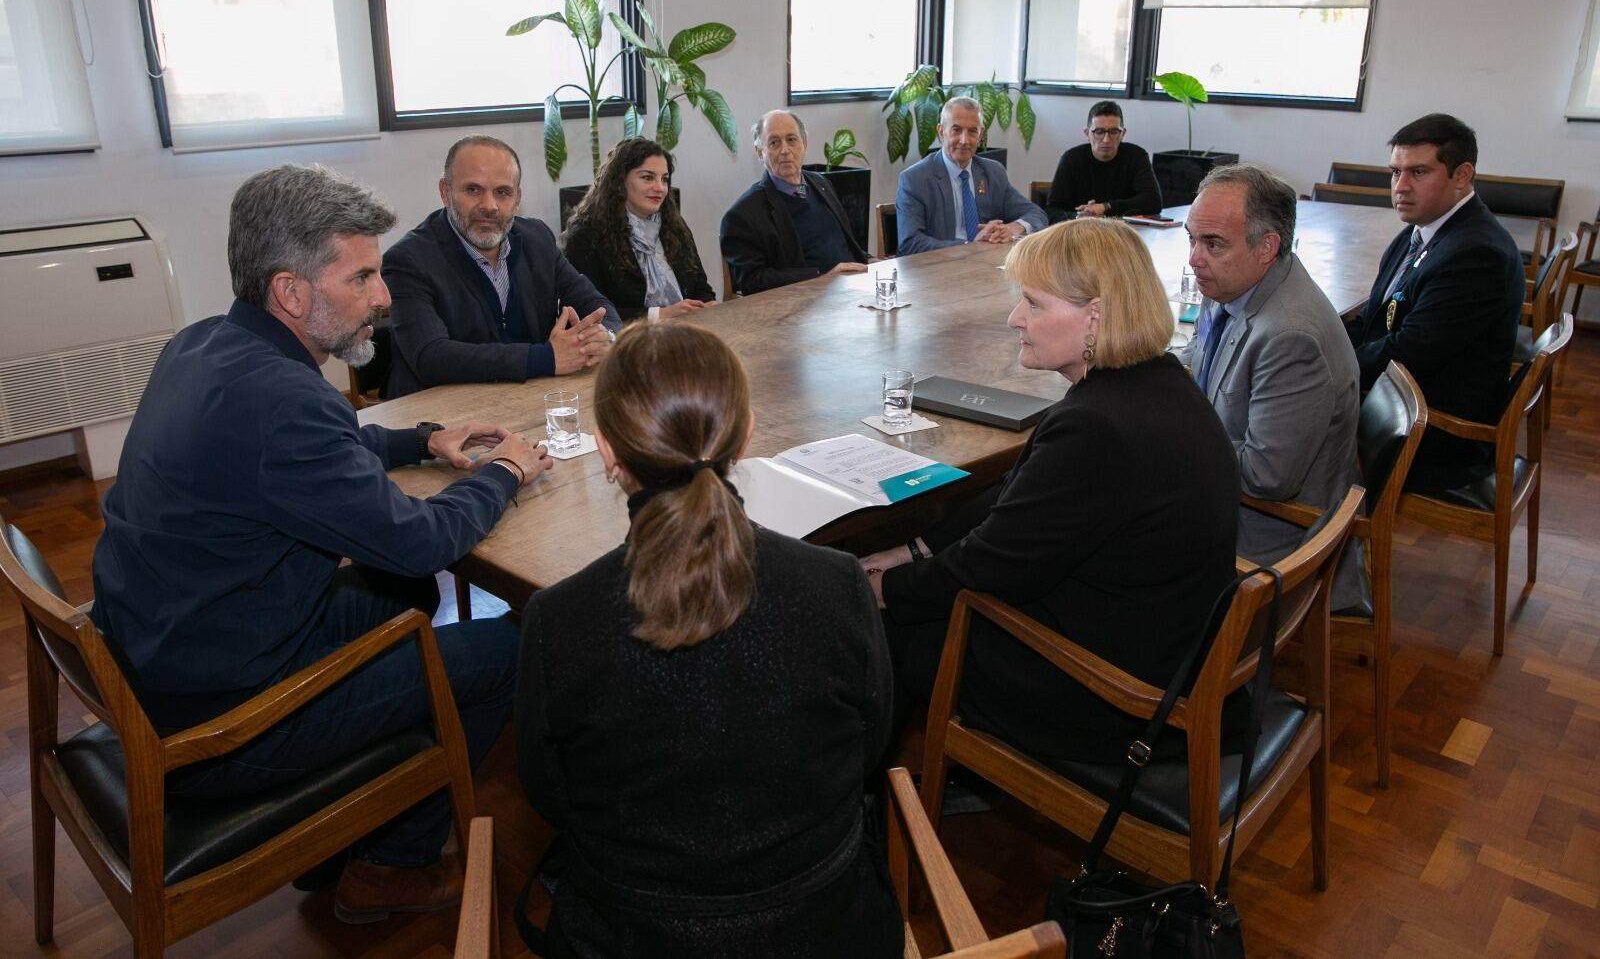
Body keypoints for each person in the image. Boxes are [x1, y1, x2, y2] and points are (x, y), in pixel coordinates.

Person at [90, 164, 552, 923]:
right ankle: (387, 867)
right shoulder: (287, 402)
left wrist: (422, 439)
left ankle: (363, 819)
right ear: (292, 292)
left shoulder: (206, 345)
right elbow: (420, 543)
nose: (383, 296)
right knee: (507, 649)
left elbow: (302, 458)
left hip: (170, 653)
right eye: (363, 275)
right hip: (222, 724)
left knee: (398, 600)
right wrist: (503, 470)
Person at [516, 323, 902, 958]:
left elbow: (553, 796)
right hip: (826, 934)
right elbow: (868, 746)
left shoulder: (558, 621)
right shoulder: (837, 585)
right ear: (745, 434)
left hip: (631, 937)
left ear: (608, 451)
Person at [860, 219, 1239, 763]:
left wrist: (885, 589)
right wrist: (914, 548)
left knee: (883, 628)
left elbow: (989, 567)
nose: (1016, 318)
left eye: (1034, 304)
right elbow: (1014, 499)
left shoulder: (1097, 429)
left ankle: (865, 811)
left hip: (1110, 694)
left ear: (1096, 315)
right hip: (1159, 642)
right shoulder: (1154, 381)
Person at [1177, 164, 1364, 595]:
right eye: (1192, 237)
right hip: (1228, 501)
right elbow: (1197, 358)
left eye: (1212, 243)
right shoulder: (1232, 283)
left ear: (1267, 247)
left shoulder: (1290, 337)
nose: (1194, 258)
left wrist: (1170, 439)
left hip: (1266, 540)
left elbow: (1266, 476)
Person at [1345, 113, 1523, 489]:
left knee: (1287, 428)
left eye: (1418, 173)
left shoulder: (1477, 253)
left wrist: (1326, 367)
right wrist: (1322, 344)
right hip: (1401, 401)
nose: (1400, 186)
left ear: (1462, 175)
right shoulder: (1419, 233)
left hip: (1432, 432)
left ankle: (1310, 536)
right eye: (1395, 172)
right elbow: (1373, 320)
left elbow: (1410, 351)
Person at [382, 135, 619, 397]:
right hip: (439, 418)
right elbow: (432, 357)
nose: (489, 206)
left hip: (527, 398)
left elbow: (596, 304)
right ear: (445, 192)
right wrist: (546, 358)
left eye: (502, 192)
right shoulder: (408, 260)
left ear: (517, 199)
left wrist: (603, 336)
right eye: (473, 190)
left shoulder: (536, 238)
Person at [563, 137, 716, 321]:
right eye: (647, 177)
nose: (660, 188)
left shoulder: (675, 226)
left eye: (664, 179)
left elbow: (701, 288)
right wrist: (657, 316)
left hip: (686, 332)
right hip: (625, 342)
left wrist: (708, 305)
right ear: (620, 182)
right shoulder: (585, 237)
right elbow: (590, 311)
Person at [719, 109, 870, 295]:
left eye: (791, 140)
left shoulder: (821, 184)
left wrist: (869, 262)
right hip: (802, 304)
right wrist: (821, 277)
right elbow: (752, 281)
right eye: (774, 143)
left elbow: (844, 246)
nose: (785, 150)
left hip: (854, 288)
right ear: (760, 153)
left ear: (804, 144)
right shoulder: (742, 215)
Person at [894, 96, 1047, 255]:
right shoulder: (915, 179)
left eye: (972, 131)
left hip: (986, 266)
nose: (964, 140)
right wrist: (969, 246)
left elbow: (1037, 214)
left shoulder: (993, 172)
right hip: (938, 269)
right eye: (956, 130)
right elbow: (910, 243)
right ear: (941, 132)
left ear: (980, 134)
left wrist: (1014, 228)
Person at [1044, 100, 1162, 223]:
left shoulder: (1136, 156)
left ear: (1122, 134)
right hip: (1080, 232)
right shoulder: (1071, 159)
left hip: (1123, 233)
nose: (1106, 140)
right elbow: (1052, 210)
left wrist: (1104, 207)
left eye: (1113, 132)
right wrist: (1080, 217)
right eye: (1099, 132)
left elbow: (1153, 201)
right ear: (1087, 133)